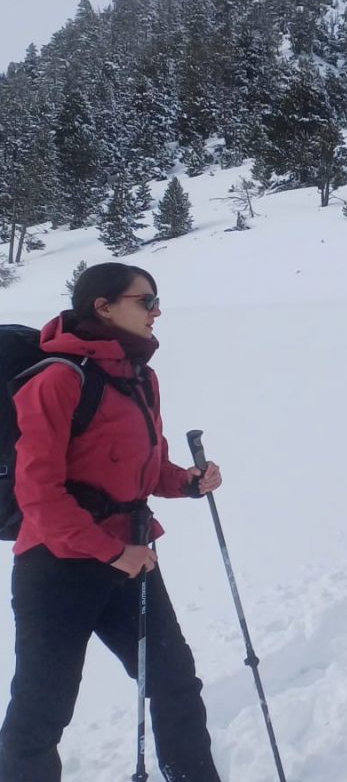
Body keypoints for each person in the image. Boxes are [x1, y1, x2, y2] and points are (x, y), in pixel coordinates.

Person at [0, 263, 223, 782]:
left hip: (131, 558)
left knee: (174, 682)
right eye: (145, 300)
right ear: (103, 306)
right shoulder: (57, 379)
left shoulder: (142, 378)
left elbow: (145, 468)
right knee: (43, 708)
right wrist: (110, 552)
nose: (156, 311)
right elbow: (39, 495)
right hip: (57, 567)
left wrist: (186, 481)